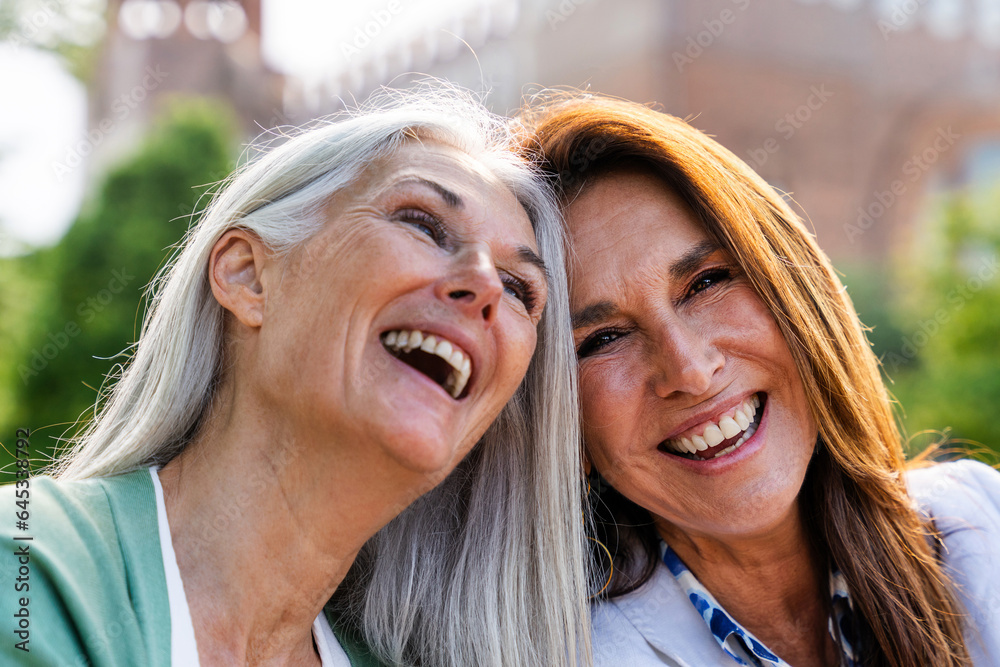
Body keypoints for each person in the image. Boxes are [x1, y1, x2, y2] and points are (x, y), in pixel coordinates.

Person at [0, 87, 590, 667]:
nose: (486, 285)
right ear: (247, 275)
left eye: (519, 289)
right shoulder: (26, 569)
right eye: (423, 224)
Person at [518, 93, 1000, 666]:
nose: (691, 371)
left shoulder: (980, 529)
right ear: (562, 424)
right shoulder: (566, 656)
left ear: (792, 288)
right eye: (601, 340)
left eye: (706, 282)